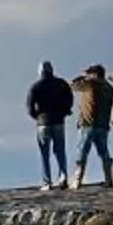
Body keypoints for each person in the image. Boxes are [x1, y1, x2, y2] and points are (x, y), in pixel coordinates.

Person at [27, 60, 73, 188]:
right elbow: (70, 99)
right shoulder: (61, 84)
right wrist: (64, 112)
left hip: (43, 123)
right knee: (60, 152)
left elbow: (29, 107)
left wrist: (37, 117)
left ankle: (47, 182)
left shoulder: (35, 86)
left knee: (44, 154)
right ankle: (63, 178)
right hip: (59, 121)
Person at [69, 63, 113, 186]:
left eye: (89, 73)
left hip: (87, 123)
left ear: (94, 74)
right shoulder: (110, 89)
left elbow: (73, 85)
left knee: (82, 153)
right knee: (104, 153)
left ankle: (77, 180)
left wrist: (82, 77)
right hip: (103, 125)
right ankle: (109, 179)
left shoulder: (90, 84)